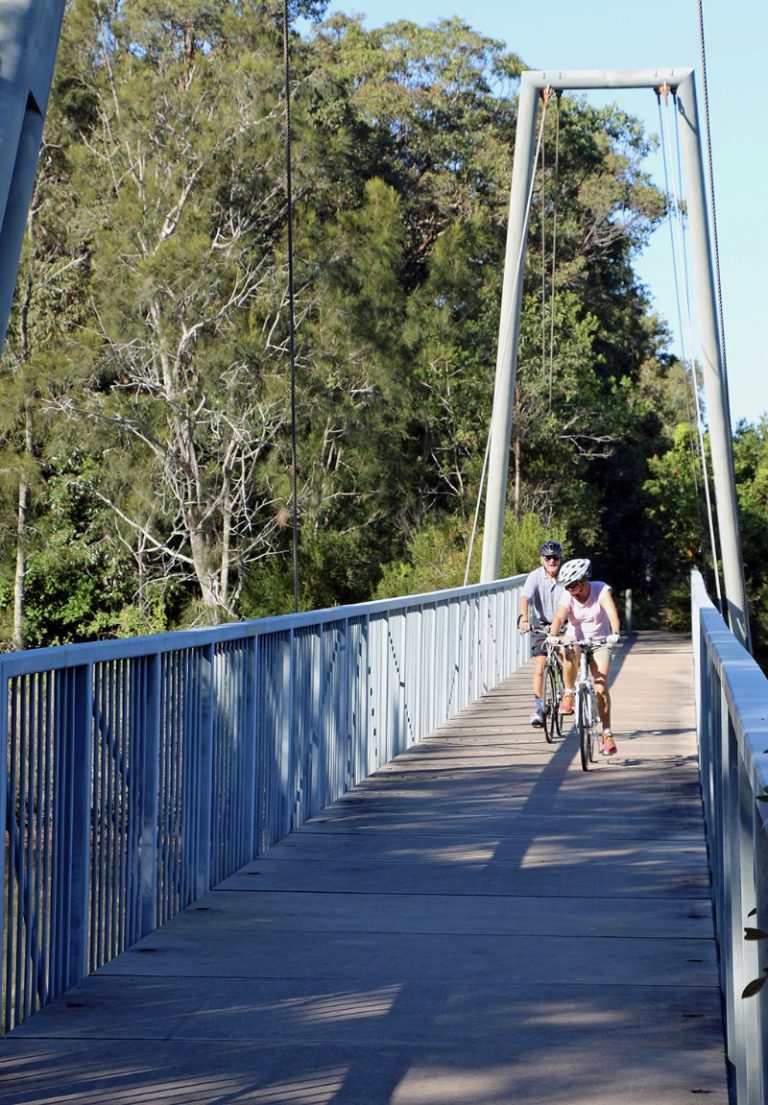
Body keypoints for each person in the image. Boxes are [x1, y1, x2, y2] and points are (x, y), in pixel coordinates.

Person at [547, 557, 621, 755]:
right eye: (567, 586)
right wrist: (553, 635)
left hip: (600, 641)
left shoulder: (600, 589)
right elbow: (560, 616)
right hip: (577, 638)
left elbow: (612, 612)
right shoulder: (568, 595)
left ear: (585, 579)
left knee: (600, 685)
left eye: (574, 585)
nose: (571, 589)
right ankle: (569, 694)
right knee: (569, 648)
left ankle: (607, 734)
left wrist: (615, 632)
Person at [518, 540, 565, 728]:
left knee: (568, 656)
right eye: (548, 558)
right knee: (539, 667)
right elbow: (525, 598)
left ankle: (567, 692)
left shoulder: (566, 575)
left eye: (555, 558)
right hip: (542, 626)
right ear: (542, 559)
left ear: (560, 559)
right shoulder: (535, 576)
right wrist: (524, 619)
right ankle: (538, 709)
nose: (552, 561)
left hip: (564, 625)